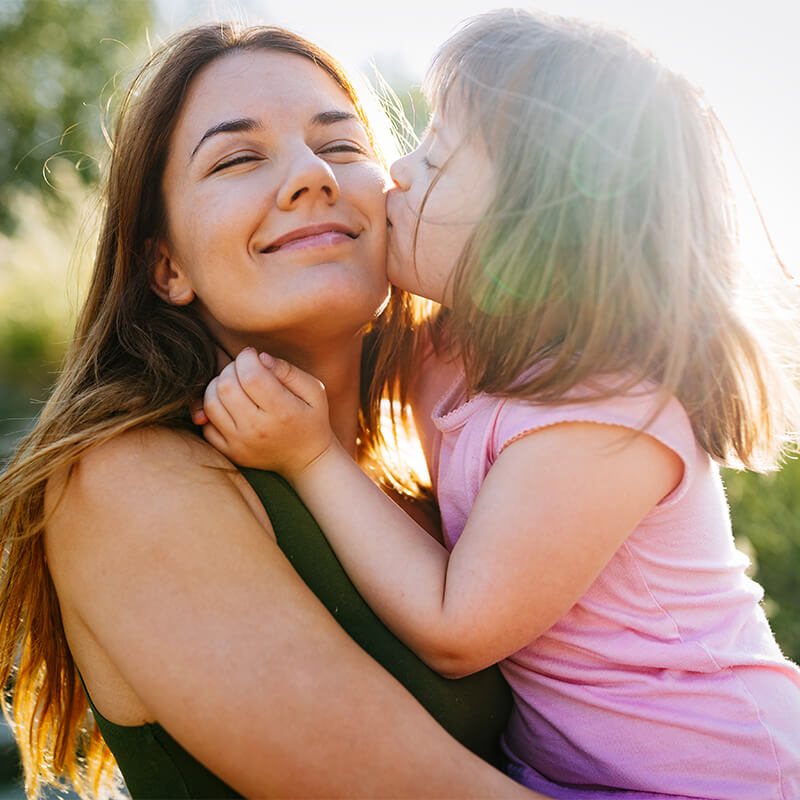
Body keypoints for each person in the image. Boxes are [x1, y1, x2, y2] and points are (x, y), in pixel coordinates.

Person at [194, 9, 800, 800]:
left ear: (536, 230)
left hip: (725, 777)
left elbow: (457, 629)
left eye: (436, 157)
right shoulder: (451, 351)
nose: (397, 171)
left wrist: (310, 457)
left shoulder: (602, 414)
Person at [0, 22, 548, 800]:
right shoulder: (128, 481)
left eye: (342, 146)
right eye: (238, 158)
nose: (312, 176)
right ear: (167, 266)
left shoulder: (444, 487)